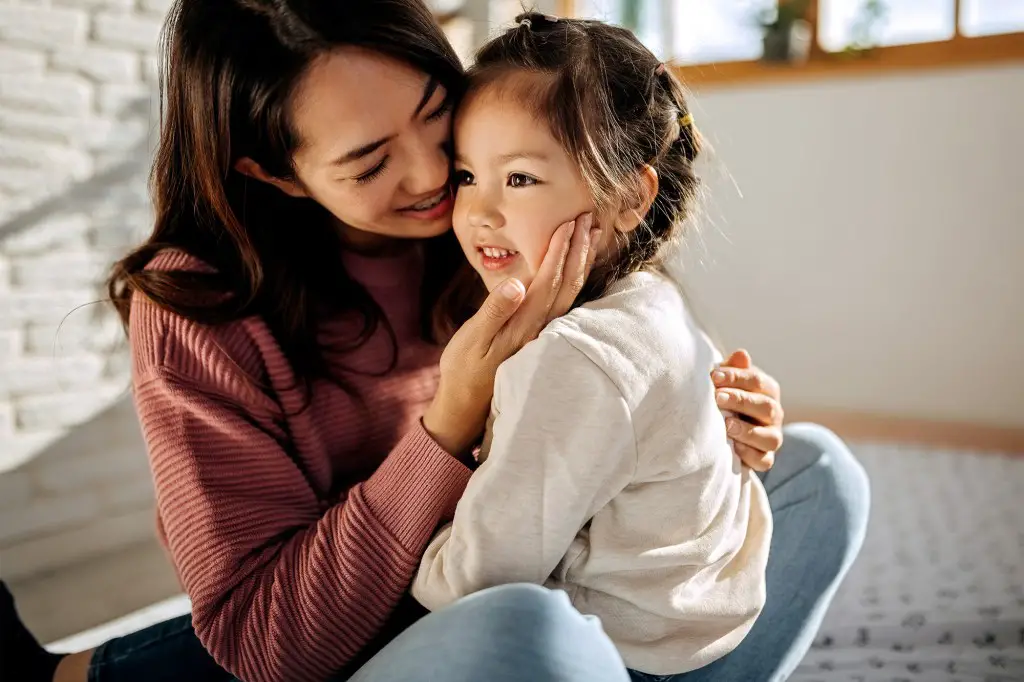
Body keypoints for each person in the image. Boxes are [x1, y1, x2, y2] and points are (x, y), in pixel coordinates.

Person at [0, 1, 869, 682]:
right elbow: (264, 645)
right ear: (270, 172)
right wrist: (448, 425)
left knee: (818, 471)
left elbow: (629, 364)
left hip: (517, 574)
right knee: (521, 629)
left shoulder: (508, 218)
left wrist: (710, 425)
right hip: (358, 630)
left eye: (438, 121)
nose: (433, 182)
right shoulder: (201, 307)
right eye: (370, 162)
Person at [409, 13, 771, 680]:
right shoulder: (654, 296)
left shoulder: (572, 358)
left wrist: (410, 553)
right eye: (465, 176)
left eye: (519, 179)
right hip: (703, 633)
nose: (479, 211)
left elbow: (469, 587)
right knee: (827, 469)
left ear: (629, 196)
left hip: (620, 659)